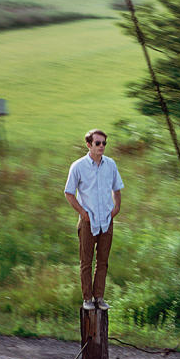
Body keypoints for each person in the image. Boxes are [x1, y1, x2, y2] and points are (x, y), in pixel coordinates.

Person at [64, 129, 124, 311]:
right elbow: (68, 193)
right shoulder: (78, 166)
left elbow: (117, 188)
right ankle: (87, 298)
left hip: (106, 220)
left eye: (104, 143)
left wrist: (116, 208)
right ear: (89, 145)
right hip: (88, 221)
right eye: (98, 143)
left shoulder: (111, 165)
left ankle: (99, 297)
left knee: (103, 261)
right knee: (86, 262)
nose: (102, 147)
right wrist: (82, 213)